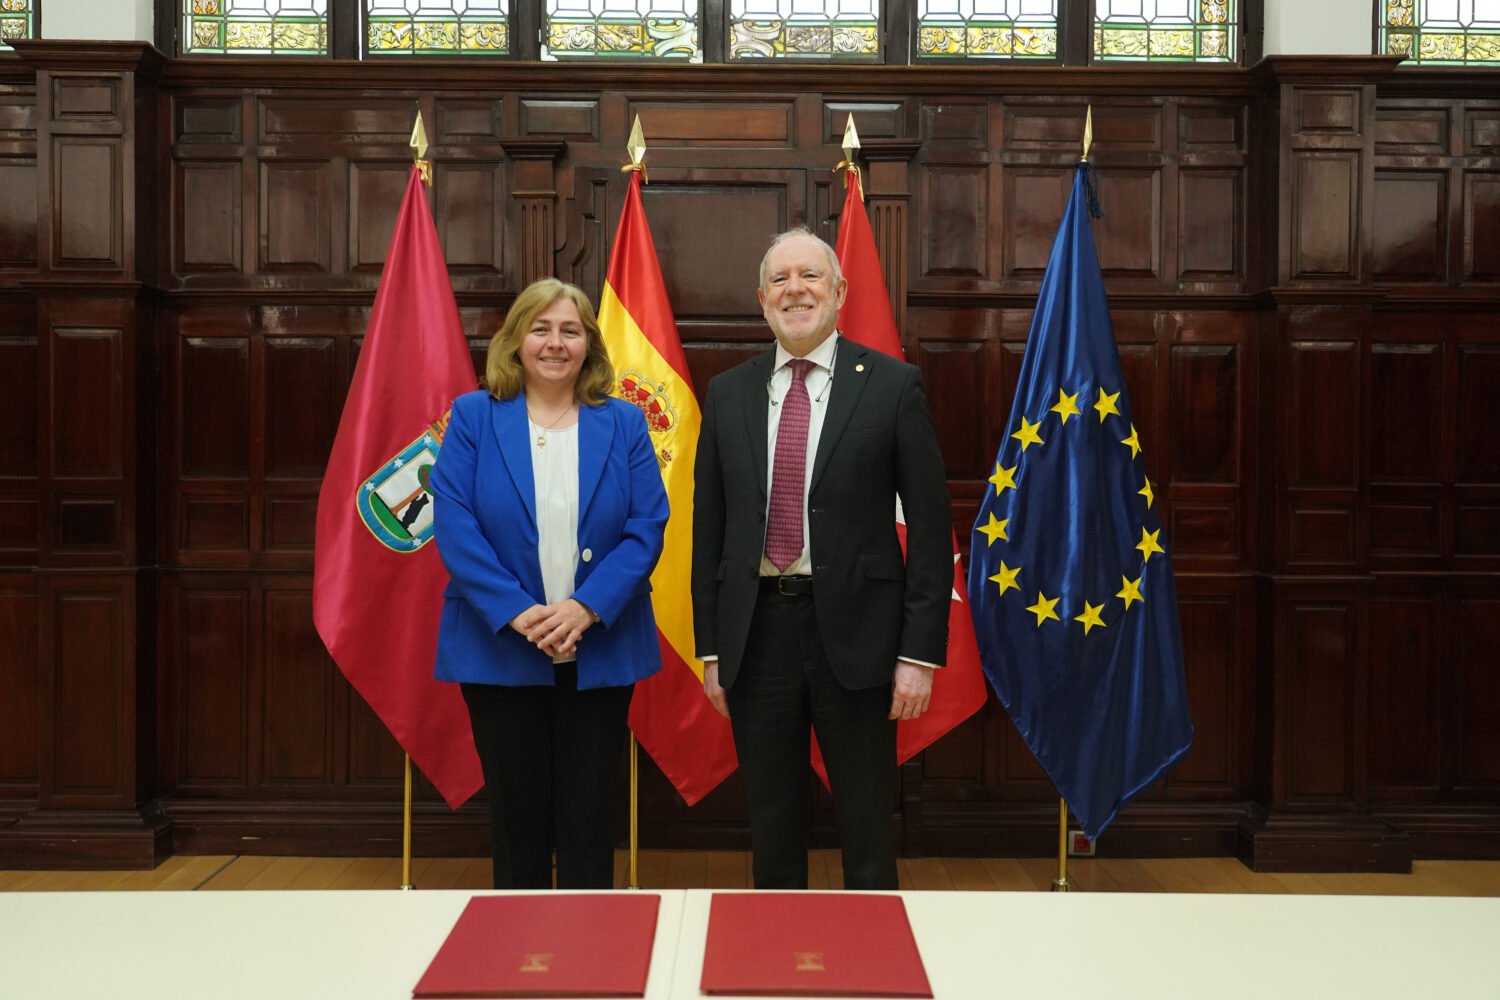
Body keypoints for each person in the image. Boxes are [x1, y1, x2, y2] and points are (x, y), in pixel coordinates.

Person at [691, 228, 952, 890]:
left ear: (839, 293)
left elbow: (929, 529)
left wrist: (919, 655)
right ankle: (778, 948)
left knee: (866, 828)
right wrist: (712, 649)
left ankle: (872, 948)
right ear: (762, 299)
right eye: (780, 279)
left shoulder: (893, 386)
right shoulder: (727, 393)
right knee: (772, 826)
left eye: (810, 276)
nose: (795, 290)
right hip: (756, 636)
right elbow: (710, 528)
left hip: (862, 637)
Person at [431, 277, 668, 890]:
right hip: (501, 648)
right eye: (540, 329)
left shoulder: (624, 422)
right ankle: (520, 944)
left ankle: (592, 944)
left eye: (570, 330)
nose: (555, 343)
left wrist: (586, 607)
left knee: (590, 820)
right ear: (516, 340)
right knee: (518, 822)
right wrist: (518, 611)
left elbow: (647, 526)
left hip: (601, 646)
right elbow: (454, 524)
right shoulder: (473, 417)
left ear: (590, 344)